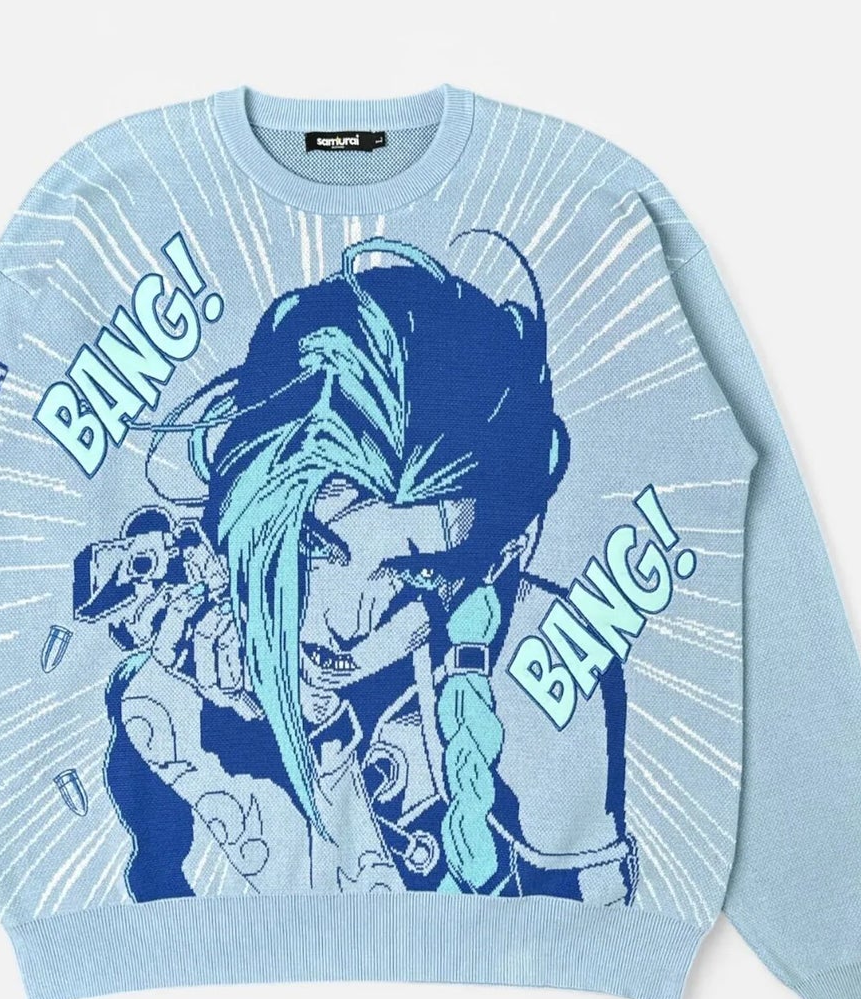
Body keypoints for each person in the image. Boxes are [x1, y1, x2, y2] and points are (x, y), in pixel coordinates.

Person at [94, 237, 639, 904]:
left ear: (494, 561)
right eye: (315, 544)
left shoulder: (539, 664)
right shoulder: (168, 700)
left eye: (412, 576)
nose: (346, 622)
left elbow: (597, 933)